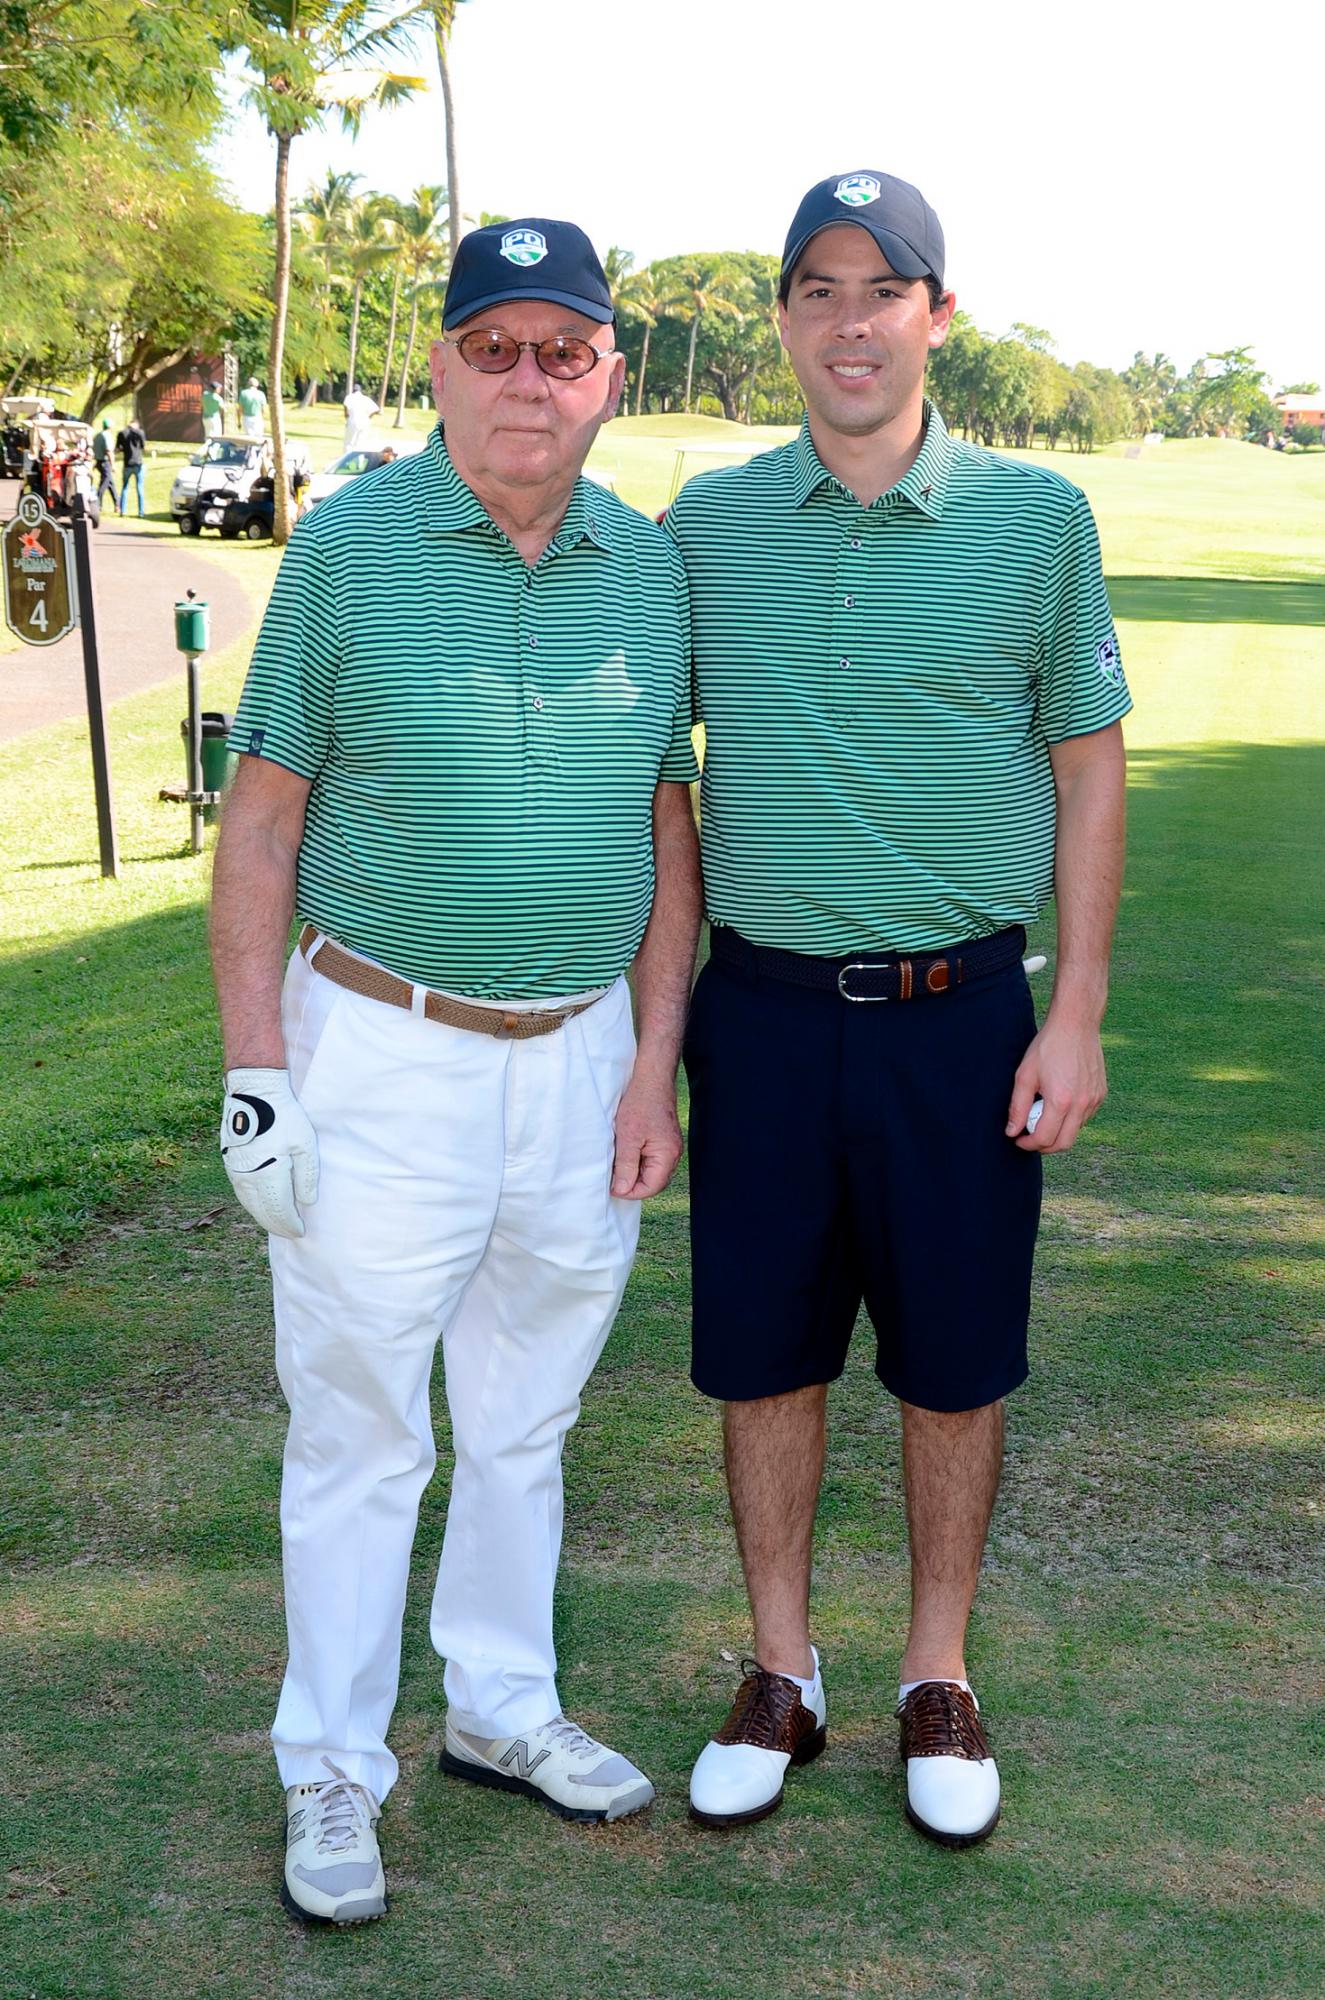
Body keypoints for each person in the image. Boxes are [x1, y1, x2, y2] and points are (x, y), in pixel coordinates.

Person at [211, 216, 701, 1927]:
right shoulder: (346, 551)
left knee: (527, 1417)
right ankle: (333, 1772)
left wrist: (655, 1065)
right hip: (380, 1052)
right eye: (493, 345)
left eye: (562, 351)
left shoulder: (648, 564)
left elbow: (665, 822)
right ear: (439, 366)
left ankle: (501, 1706)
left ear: (607, 381)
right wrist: (257, 1069)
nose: (527, 379)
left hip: (576, 1067)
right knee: (359, 1436)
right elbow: (263, 817)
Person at [667, 170, 1130, 1845]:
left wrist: (1071, 1010)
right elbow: (664, 791)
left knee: (954, 1364)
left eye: (882, 290)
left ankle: (940, 1672)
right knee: (764, 1360)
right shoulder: (705, 528)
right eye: (816, 290)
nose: (847, 322)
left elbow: (1089, 770)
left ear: (938, 315)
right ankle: (782, 1670)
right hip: (768, 1017)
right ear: (782, 319)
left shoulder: (1039, 518)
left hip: (959, 1019)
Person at [116, 416, 146, 517]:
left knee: (124, 488)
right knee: (140, 488)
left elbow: (118, 448)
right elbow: (143, 446)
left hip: (127, 463)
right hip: (138, 463)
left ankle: (123, 511)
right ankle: (141, 512)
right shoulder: (140, 433)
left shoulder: (122, 433)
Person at [342, 380, 379, 453]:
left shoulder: (349, 397)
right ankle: (359, 461)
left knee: (349, 443)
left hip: (353, 422)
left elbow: (346, 406)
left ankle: (346, 460)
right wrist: (369, 417)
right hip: (365, 423)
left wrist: (346, 415)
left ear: (353, 390)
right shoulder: (366, 398)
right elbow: (376, 409)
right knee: (360, 444)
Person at [92, 417, 119, 515]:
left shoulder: (98, 436)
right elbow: (109, 451)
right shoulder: (107, 436)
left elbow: (94, 449)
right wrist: (113, 465)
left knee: (110, 484)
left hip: (99, 462)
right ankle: (97, 504)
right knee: (103, 485)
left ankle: (117, 504)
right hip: (105, 463)